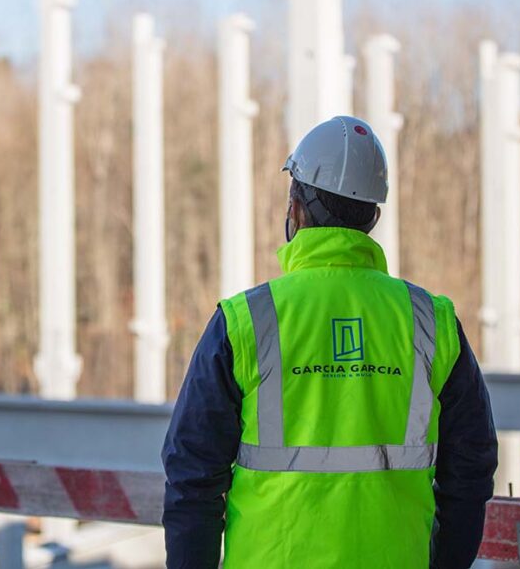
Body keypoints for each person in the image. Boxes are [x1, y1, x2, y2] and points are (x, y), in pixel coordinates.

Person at [162, 116, 498, 568]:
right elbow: (471, 468)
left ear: (295, 210)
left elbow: (192, 475)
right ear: (373, 217)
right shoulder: (430, 322)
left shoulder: (245, 321)